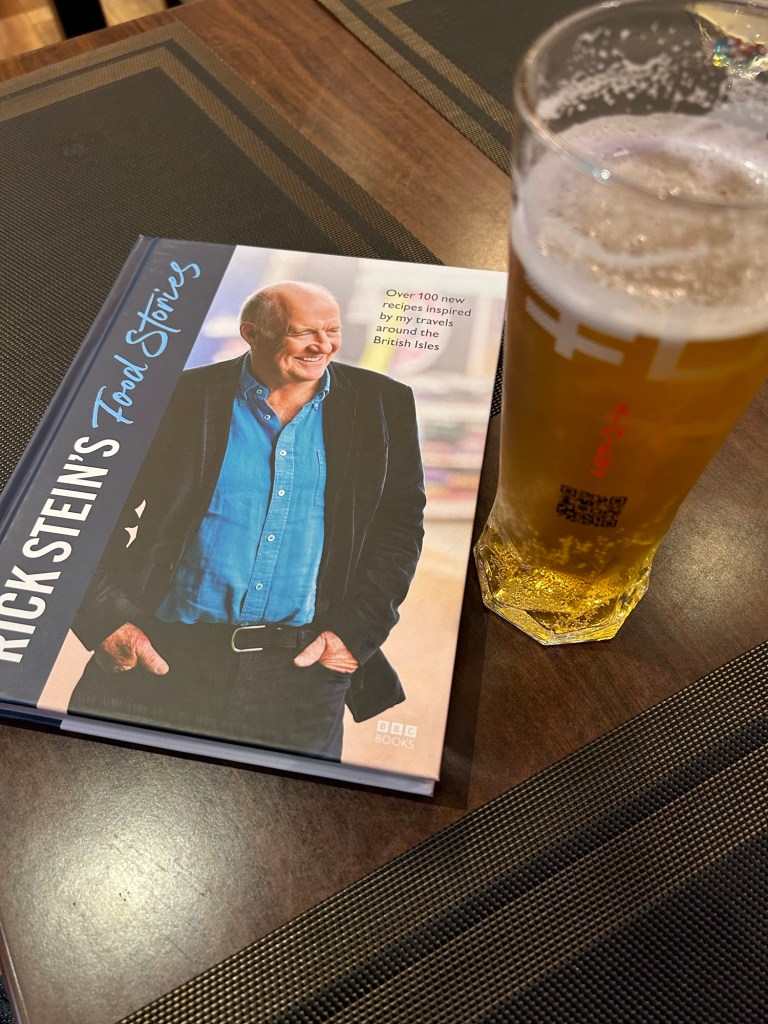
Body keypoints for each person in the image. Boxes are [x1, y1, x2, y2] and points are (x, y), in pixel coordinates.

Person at [69, 281, 426, 760]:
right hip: (159, 655)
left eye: (332, 330)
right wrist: (105, 618)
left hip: (301, 675)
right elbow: (96, 505)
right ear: (252, 333)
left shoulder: (384, 404)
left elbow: (400, 526)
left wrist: (355, 632)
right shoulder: (180, 397)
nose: (323, 345)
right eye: (304, 332)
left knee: (289, 804)